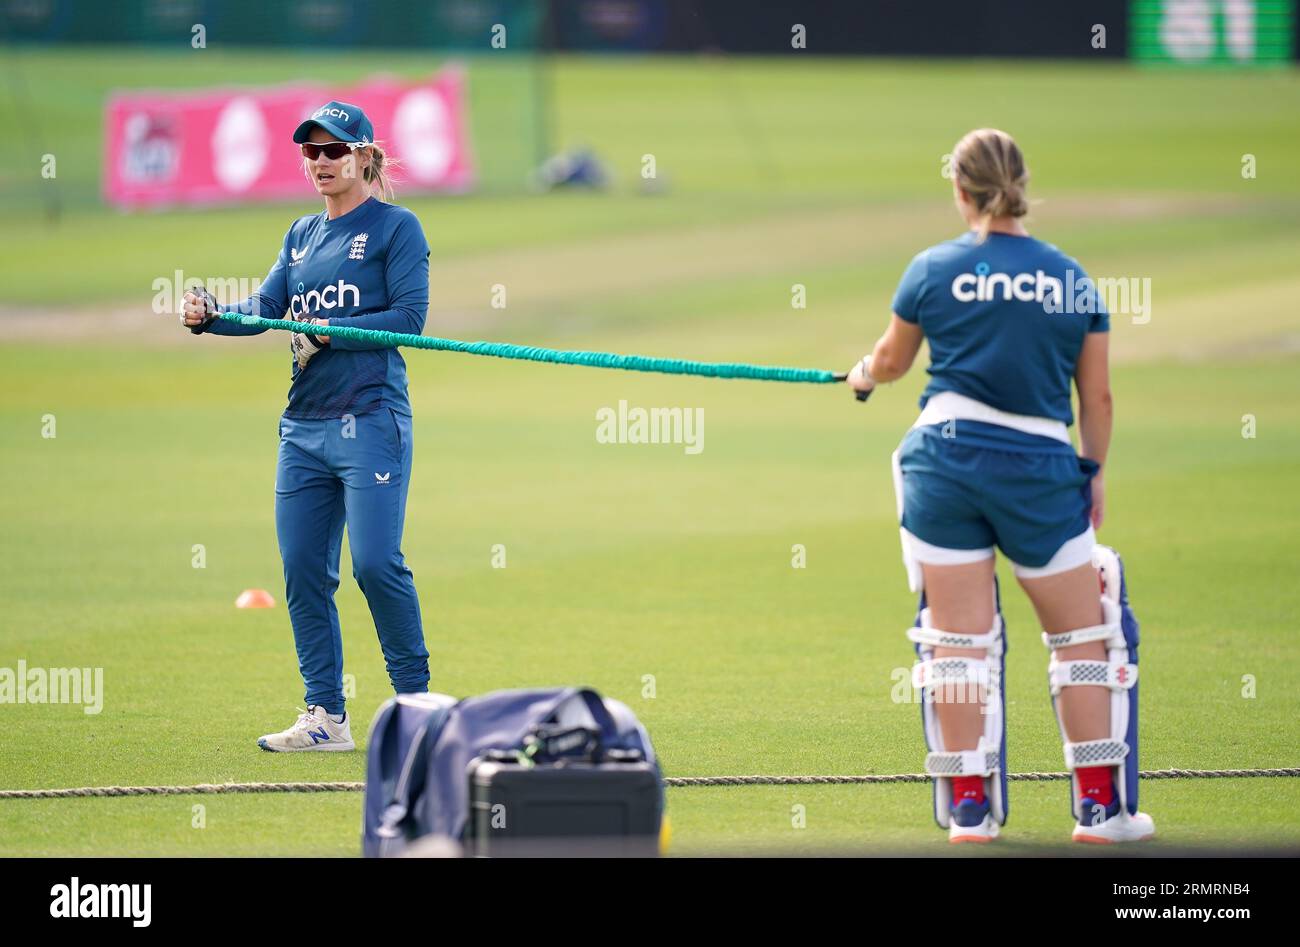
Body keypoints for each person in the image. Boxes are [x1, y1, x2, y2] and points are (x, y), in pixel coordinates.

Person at [847, 128, 1153, 843]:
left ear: (960, 191)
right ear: (1021, 186)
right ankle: (1102, 812)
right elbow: (1097, 400)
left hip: (943, 463)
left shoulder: (932, 267)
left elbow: (890, 362)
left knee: (957, 644)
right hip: (1038, 469)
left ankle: (969, 812)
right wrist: (1095, 469)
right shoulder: (1072, 277)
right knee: (1082, 635)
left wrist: (862, 373)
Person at [181, 101, 432, 751]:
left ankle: (415, 707)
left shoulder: (396, 229)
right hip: (303, 428)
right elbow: (265, 309)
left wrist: (335, 330)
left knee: (376, 564)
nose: (319, 162)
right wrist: (213, 316)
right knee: (302, 570)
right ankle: (325, 716)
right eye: (310, 152)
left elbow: (409, 319)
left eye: (333, 150)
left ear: (363, 157)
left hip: (371, 417)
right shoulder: (299, 234)